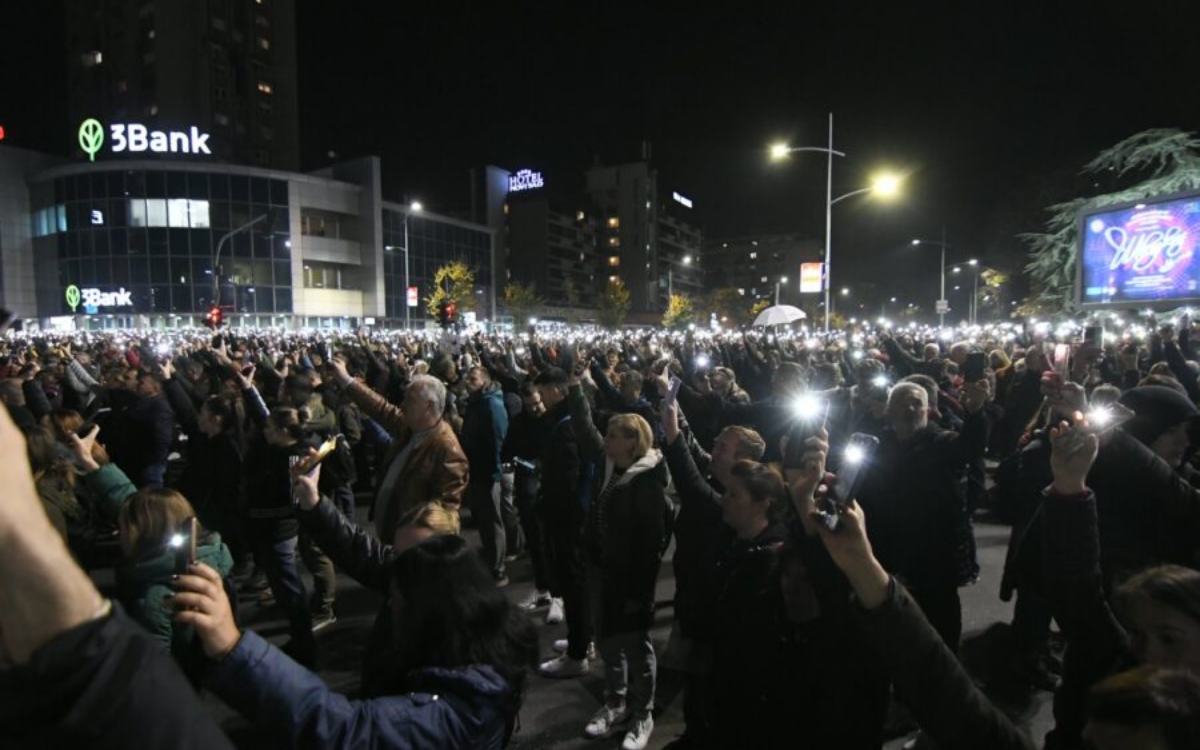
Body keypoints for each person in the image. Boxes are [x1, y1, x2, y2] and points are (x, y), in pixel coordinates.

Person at [170, 534, 539, 750]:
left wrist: (234, 648)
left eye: (396, 601)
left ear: (429, 614)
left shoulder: (453, 711)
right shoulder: (484, 647)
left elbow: (345, 730)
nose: (390, 607)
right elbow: (366, 560)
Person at [566, 371, 667, 750]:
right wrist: (577, 388)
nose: (605, 439)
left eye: (613, 435)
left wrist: (640, 593)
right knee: (607, 640)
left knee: (636, 647)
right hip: (601, 571)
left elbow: (650, 546)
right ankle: (616, 700)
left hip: (629, 580)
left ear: (632, 443)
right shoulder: (612, 467)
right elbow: (585, 431)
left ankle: (643, 713)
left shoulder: (648, 482)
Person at [328, 358, 468, 543]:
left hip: (411, 543)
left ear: (429, 406)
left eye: (410, 400)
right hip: (395, 531)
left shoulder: (447, 449)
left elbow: (446, 514)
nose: (402, 405)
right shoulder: (411, 426)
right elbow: (381, 408)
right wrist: (346, 380)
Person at [532, 367, 591, 678]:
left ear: (556, 391)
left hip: (568, 520)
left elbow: (567, 478)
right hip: (569, 517)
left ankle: (578, 652)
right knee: (576, 584)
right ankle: (583, 639)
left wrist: (550, 506)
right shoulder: (566, 420)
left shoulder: (566, 426)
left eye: (542, 392)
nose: (539, 399)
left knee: (574, 583)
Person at [461, 365, 511, 584]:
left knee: (492, 520)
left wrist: (494, 472)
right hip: (477, 470)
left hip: (488, 472)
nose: (467, 382)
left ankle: (497, 567)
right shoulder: (477, 403)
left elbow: (497, 442)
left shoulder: (491, 406)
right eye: (467, 378)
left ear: (484, 381)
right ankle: (491, 559)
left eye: (473, 378)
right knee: (484, 519)